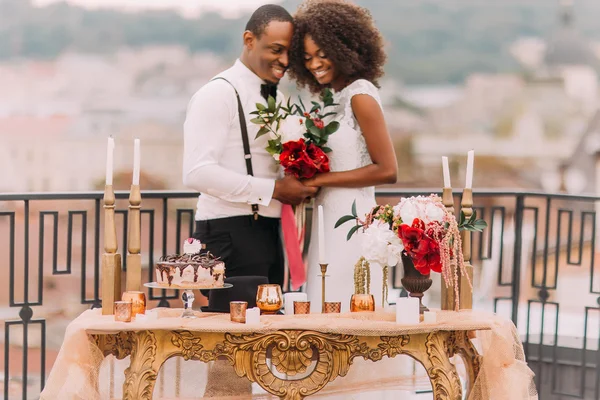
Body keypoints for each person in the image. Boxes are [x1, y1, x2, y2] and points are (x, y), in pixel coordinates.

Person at [183, 4, 318, 288]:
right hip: (228, 232)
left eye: (288, 53)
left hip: (269, 232)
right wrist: (275, 190)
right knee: (232, 329)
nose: (284, 60)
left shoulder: (279, 99)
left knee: (270, 328)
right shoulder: (217, 94)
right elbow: (197, 172)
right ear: (249, 40)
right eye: (275, 49)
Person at [287, 0, 398, 312]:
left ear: (346, 48)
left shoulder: (360, 96)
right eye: (307, 57)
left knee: (349, 305)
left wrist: (320, 179)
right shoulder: (329, 99)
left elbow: (388, 170)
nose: (314, 64)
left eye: (323, 54)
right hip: (325, 220)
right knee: (322, 303)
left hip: (353, 222)